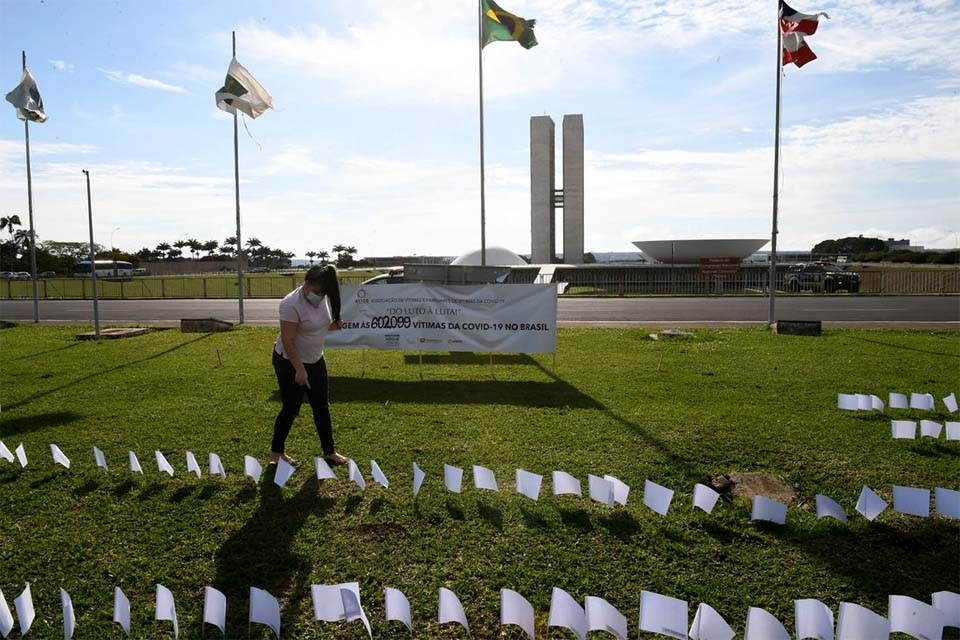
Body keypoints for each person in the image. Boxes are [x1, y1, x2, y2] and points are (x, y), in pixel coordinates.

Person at [271, 264, 348, 467]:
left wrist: (334, 326)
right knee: (291, 408)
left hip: (315, 359)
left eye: (322, 293)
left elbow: (318, 326)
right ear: (306, 284)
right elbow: (288, 341)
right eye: (315, 292)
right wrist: (300, 369)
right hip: (289, 361)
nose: (319, 296)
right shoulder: (290, 304)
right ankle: (277, 453)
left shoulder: (323, 297)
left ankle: (329, 452)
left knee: (321, 406)